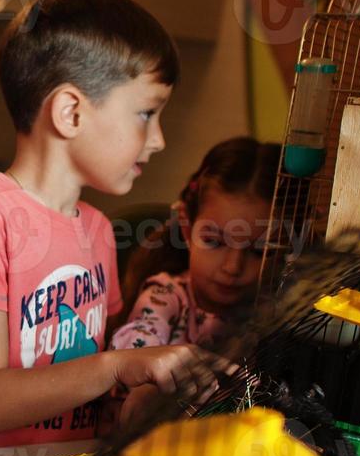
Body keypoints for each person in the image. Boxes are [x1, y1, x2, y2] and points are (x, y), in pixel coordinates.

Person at [0, 0, 218, 452]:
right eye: (146, 113)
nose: (158, 139)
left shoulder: (99, 231)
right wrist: (117, 367)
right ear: (70, 112)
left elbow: (89, 391)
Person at [112, 136, 279, 351]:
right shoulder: (166, 297)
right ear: (187, 228)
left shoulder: (275, 306)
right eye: (214, 242)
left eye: (260, 251)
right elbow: (135, 350)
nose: (233, 267)